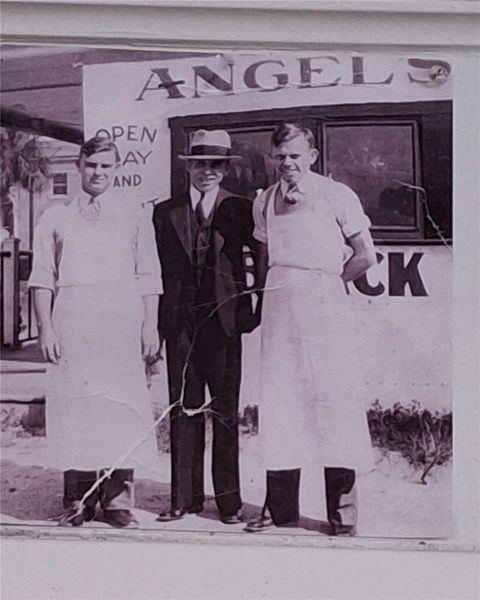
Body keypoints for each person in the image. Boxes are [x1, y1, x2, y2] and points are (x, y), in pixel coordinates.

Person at [244, 123, 376, 536]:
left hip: (325, 305)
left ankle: (342, 514)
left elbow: (365, 256)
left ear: (313, 157)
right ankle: (280, 509)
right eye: (280, 157)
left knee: (333, 403)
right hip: (281, 307)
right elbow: (267, 258)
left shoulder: (337, 194)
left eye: (296, 156)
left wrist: (329, 284)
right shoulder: (264, 200)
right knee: (281, 401)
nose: (288, 164)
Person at [28, 136, 162, 528]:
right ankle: (78, 498)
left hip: (120, 321)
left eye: (106, 166)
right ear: (79, 167)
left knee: (118, 407)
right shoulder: (55, 217)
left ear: (115, 169)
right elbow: (41, 277)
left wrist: (150, 325)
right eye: (91, 165)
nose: (98, 173)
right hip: (73, 322)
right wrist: (45, 327)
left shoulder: (133, 215)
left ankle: (118, 500)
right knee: (77, 407)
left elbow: (149, 274)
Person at [153, 129, 265, 524]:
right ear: (190, 168)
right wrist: (157, 324)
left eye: (215, 165)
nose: (206, 172)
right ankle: (184, 498)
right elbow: (156, 271)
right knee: (183, 409)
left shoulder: (241, 207)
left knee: (225, 412)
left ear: (224, 169)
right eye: (200, 164)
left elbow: (260, 257)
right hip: (181, 322)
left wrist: (255, 307)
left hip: (225, 321)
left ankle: (230, 504)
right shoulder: (165, 211)